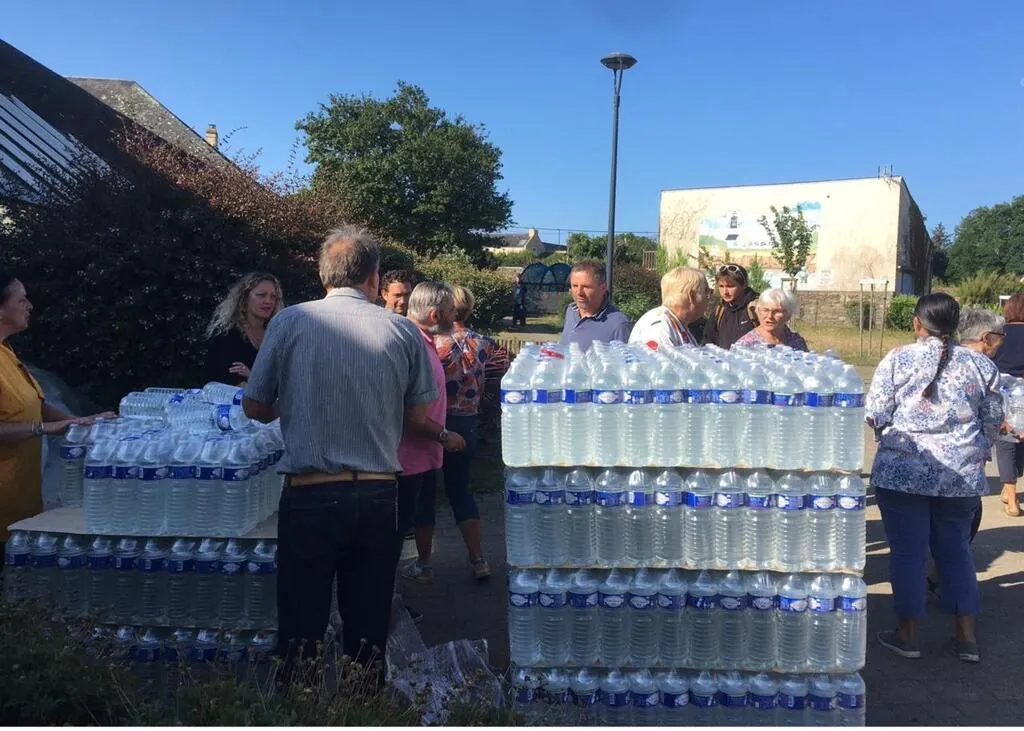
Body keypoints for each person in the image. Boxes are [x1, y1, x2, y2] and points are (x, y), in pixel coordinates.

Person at [242, 226, 463, 682]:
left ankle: (298, 707)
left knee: (300, 624)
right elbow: (417, 412)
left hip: (309, 493)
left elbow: (255, 406)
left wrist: (296, 401)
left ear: (323, 274)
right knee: (367, 627)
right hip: (376, 495)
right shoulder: (401, 331)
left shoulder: (288, 322)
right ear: (373, 278)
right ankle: (362, 705)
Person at [866, 293, 1001, 664]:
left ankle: (907, 636)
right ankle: (966, 639)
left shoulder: (898, 358)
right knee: (956, 551)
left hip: (902, 474)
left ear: (917, 323)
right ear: (955, 325)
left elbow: (875, 412)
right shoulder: (981, 364)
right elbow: (993, 419)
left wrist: (888, 436)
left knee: (908, 553)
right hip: (961, 478)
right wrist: (975, 449)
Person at [0, 272, 112, 563]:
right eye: (21, 300)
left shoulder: (6, 352)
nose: (30, 306)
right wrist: (45, 428)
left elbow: (33, 403)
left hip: (19, 501)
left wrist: (77, 422)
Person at [404, 285, 501, 585]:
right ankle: (478, 558)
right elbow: (504, 369)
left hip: (433, 421)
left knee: (425, 494)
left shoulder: (432, 343)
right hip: (467, 422)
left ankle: (424, 563)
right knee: (461, 491)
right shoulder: (484, 343)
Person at [926, 307, 1007, 597]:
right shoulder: (984, 367)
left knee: (915, 537)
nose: (1003, 343)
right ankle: (953, 591)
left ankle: (915, 602)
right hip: (961, 464)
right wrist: (983, 448)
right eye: (1001, 337)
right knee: (962, 525)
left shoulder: (928, 356)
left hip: (915, 462)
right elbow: (992, 419)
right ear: (986, 337)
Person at [205, 273, 284, 386]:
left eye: (273, 296)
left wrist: (252, 377)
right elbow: (233, 382)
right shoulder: (226, 335)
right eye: (261, 295)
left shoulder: (277, 335)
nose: (268, 301)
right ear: (245, 298)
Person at [993, 293, 1024, 516]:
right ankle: (1009, 489)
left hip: (1003, 391)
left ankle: (1011, 500)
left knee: (1006, 443)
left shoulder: (999, 333)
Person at [628, 267, 710, 349]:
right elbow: (658, 356)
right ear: (692, 296)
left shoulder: (676, 323)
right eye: (706, 292)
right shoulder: (659, 329)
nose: (709, 297)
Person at [558, 260, 632, 350]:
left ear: (603, 288)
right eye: (575, 286)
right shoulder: (570, 311)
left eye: (586, 287)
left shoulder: (619, 325)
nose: (579, 292)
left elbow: (623, 358)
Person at [701, 263, 759, 349]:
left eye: (730, 286)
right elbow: (708, 341)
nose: (725, 292)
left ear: (744, 285)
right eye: (721, 286)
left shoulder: (756, 308)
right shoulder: (719, 310)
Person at [735, 288, 810, 351]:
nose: (770, 316)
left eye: (777, 311)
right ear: (758, 311)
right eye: (765, 310)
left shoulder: (796, 341)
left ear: (788, 315)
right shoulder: (746, 344)